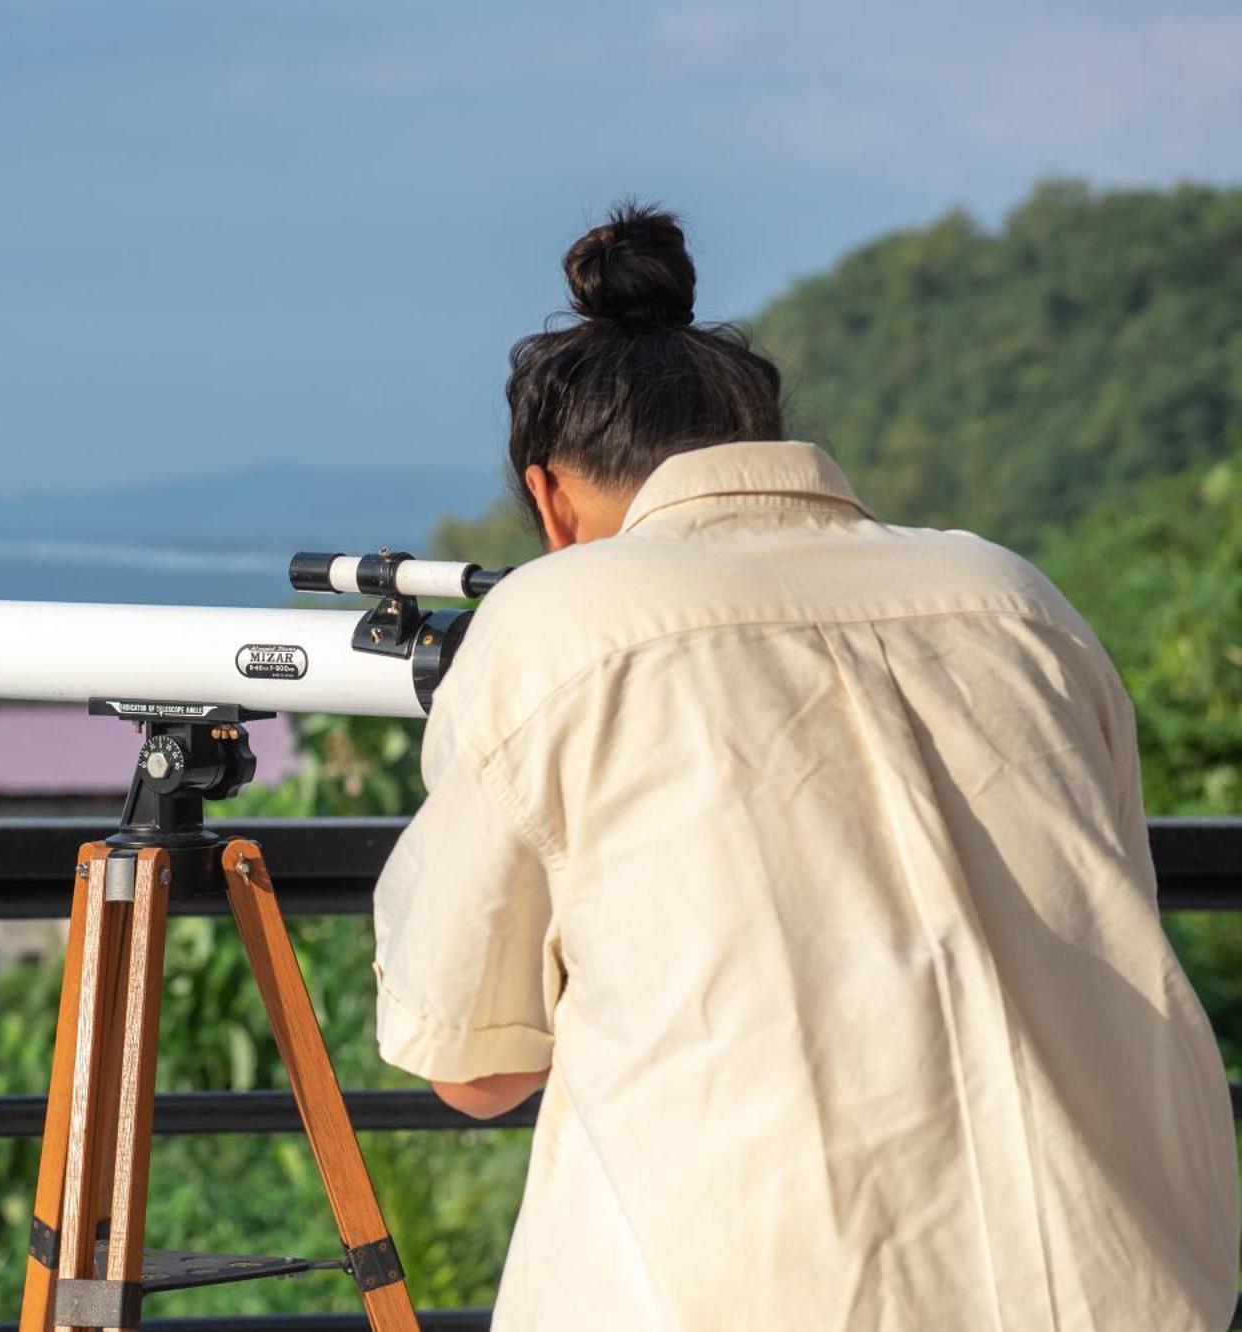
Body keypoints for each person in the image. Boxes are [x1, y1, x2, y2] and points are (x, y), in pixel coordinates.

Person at [371, 202, 1239, 1330]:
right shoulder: (1010, 597)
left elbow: (472, 1068)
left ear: (546, 495)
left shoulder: (554, 620)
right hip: (1118, 1281)